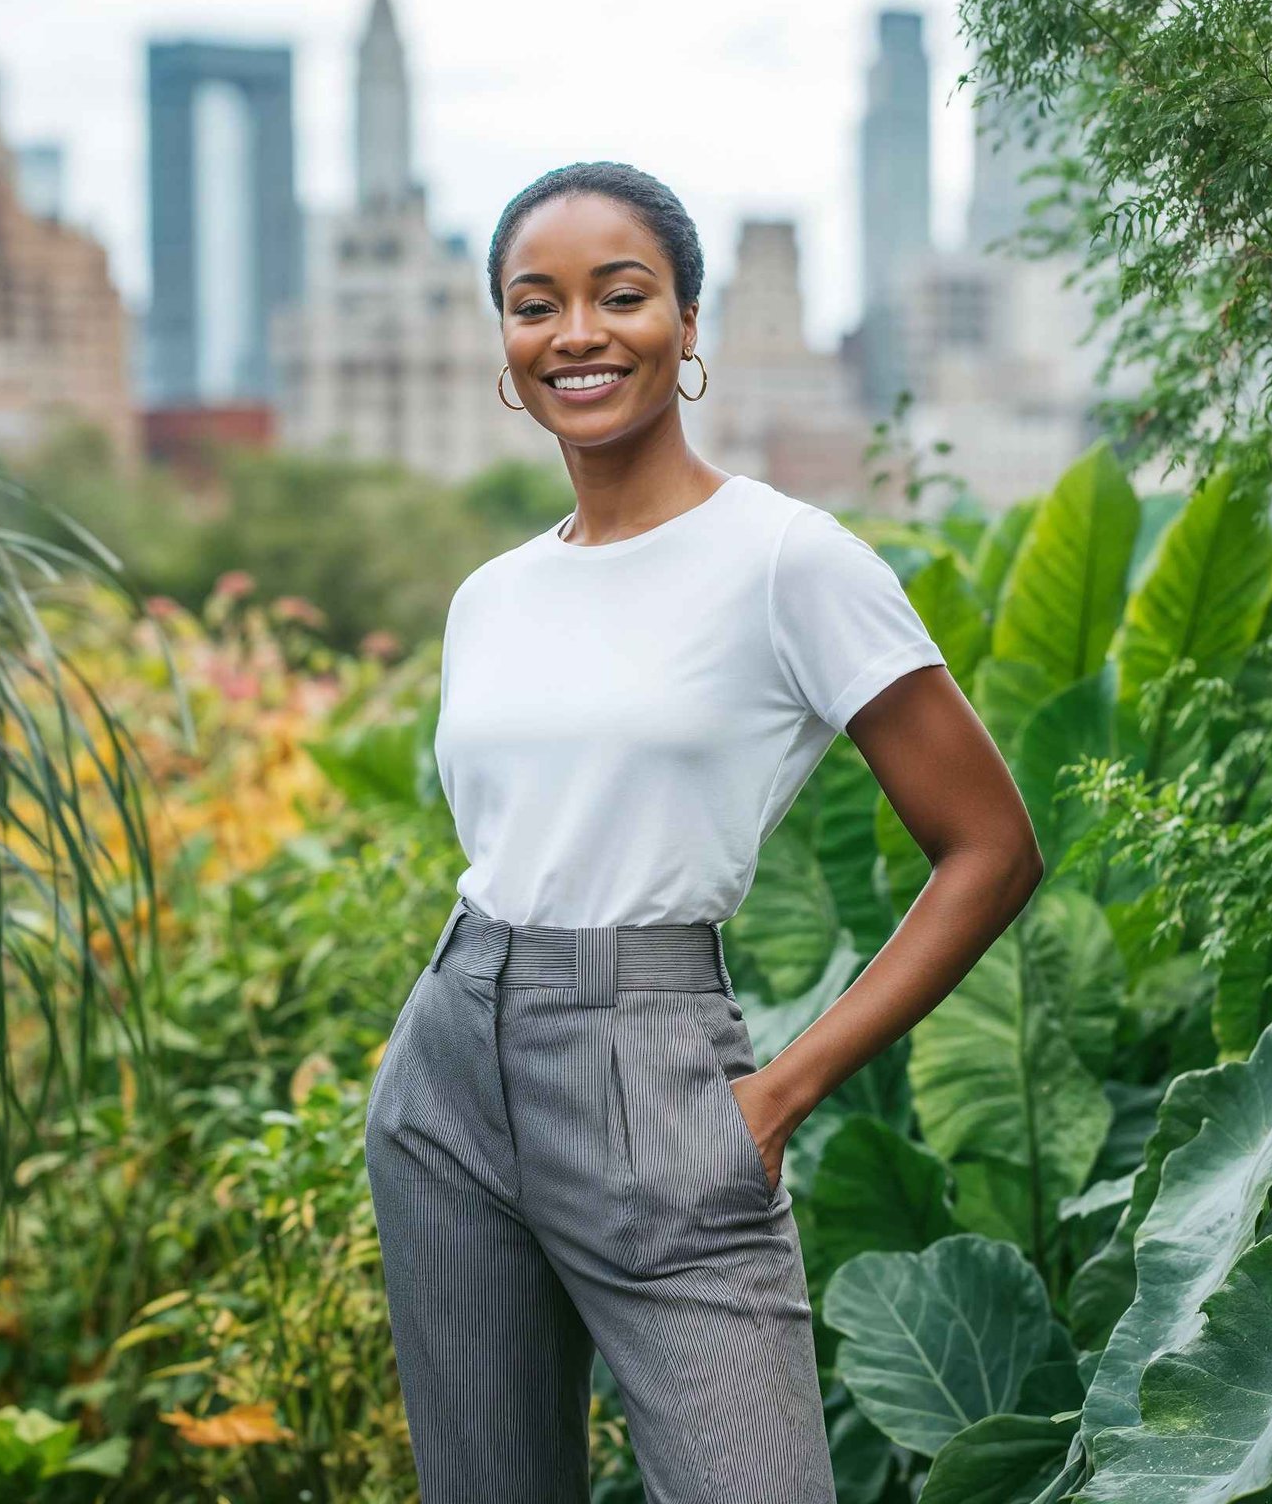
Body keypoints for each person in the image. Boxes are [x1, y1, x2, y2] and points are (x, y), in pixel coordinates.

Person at [363, 161, 1043, 1503]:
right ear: (503, 343)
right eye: (534, 303)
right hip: (449, 1069)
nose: (577, 334)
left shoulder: (789, 559)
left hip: (654, 1070)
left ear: (687, 323)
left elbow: (991, 847)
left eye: (621, 296)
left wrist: (781, 1091)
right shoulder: (490, 597)